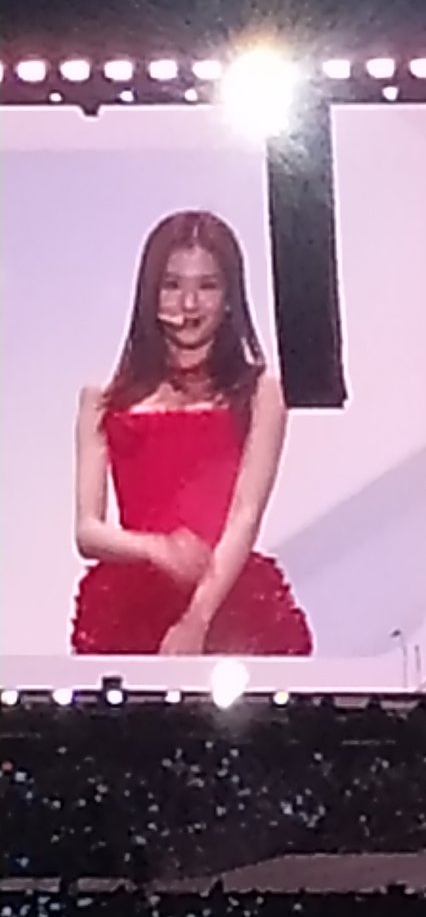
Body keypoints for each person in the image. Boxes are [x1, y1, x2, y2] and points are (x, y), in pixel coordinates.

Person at [72, 211, 312, 656]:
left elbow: (245, 515)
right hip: (128, 610)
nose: (189, 304)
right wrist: (157, 549)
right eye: (172, 285)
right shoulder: (103, 401)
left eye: (207, 286)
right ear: (150, 295)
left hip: (231, 600)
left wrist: (197, 618)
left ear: (229, 298)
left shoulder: (262, 394)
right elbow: (87, 531)